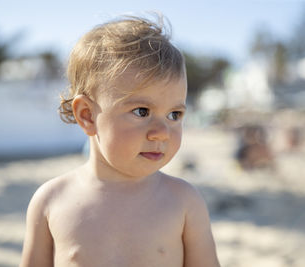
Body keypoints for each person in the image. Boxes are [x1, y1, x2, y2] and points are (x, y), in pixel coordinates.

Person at [20, 15, 221, 267]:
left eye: (174, 114)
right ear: (87, 115)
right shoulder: (51, 201)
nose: (161, 132)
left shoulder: (183, 202)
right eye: (142, 111)